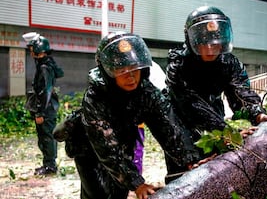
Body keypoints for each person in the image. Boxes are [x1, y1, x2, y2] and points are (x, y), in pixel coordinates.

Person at [56, 32, 197, 199]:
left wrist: (189, 159)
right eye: (121, 70)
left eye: (134, 69)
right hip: (90, 145)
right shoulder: (95, 97)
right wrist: (137, 183)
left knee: (118, 191)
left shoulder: (147, 91)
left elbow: (168, 126)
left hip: (124, 135)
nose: (130, 77)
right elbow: (106, 148)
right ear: (108, 71)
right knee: (98, 193)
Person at [164, 6, 267, 182]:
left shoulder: (229, 62)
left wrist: (258, 113)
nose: (210, 48)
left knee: (215, 171)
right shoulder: (178, 66)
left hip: (214, 113)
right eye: (204, 42)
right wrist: (226, 131)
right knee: (185, 175)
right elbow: (191, 104)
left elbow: (241, 91)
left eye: (215, 42)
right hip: (180, 122)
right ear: (192, 41)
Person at [22, 32, 64, 176]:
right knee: (45, 137)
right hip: (48, 107)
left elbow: (45, 91)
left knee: (46, 137)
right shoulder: (46, 64)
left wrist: (40, 112)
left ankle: (50, 167)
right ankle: (49, 164)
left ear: (38, 50)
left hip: (46, 109)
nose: (30, 51)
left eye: (32, 48)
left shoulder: (45, 67)